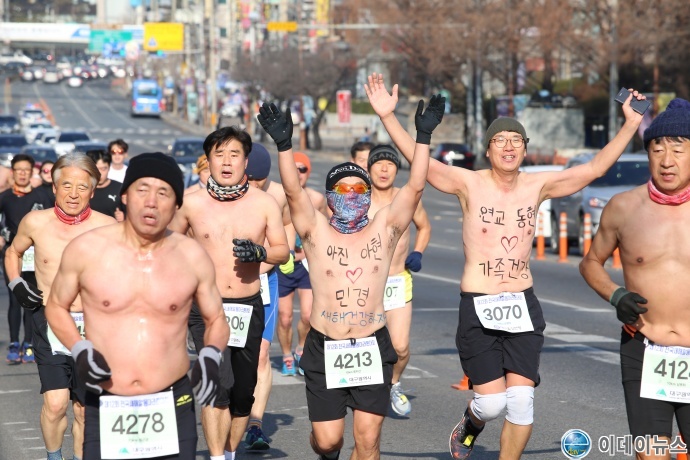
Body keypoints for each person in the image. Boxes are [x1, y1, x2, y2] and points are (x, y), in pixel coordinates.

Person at [364, 73, 647, 460]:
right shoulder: (469, 183)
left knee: (522, 402)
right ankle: (472, 421)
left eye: (516, 140)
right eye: (500, 140)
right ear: (488, 149)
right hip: (478, 304)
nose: (509, 146)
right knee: (492, 403)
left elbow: (594, 168)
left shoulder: (537, 185)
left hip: (521, 304)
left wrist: (631, 124)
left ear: (525, 150)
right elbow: (421, 163)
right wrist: (387, 117)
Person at [257, 96, 440, 460]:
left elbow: (415, 188)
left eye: (360, 190)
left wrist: (423, 138)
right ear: (329, 196)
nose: (352, 196)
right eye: (343, 190)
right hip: (325, 346)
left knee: (368, 441)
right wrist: (284, 145)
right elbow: (293, 192)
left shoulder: (384, 229)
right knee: (329, 443)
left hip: (372, 345)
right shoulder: (316, 231)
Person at [45, 152, 230, 459]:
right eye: (142, 190)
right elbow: (55, 306)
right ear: (125, 196)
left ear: (177, 205)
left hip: (171, 398)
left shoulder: (192, 256)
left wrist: (210, 356)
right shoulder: (87, 249)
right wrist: (79, 349)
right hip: (107, 395)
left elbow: (217, 319)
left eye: (164, 193)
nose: (151, 202)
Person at [169, 127, 290, 460]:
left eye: (234, 154)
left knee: (243, 394)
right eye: (218, 154)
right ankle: (216, 457)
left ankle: (229, 452)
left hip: (248, 305)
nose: (226, 162)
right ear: (208, 160)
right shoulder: (190, 203)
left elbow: (283, 251)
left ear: (245, 161)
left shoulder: (264, 204)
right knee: (217, 386)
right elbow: (168, 246)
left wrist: (261, 253)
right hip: (207, 307)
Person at [580, 98, 690, 459]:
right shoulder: (624, 208)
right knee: (651, 453)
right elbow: (591, 262)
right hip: (644, 347)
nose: (667, 160)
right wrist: (617, 296)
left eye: (678, 149)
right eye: (657, 149)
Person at [5, 153, 115, 460]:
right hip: (49, 321)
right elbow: (13, 252)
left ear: (92, 191)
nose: (73, 194)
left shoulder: (108, 228)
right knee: (55, 403)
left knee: (83, 410)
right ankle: (54, 456)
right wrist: (16, 284)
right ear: (54, 187)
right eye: (67, 185)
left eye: (82, 187)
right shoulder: (36, 222)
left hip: (93, 326)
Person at [367, 144, 431, 416]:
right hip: (365, 283)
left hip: (397, 280)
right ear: (369, 168)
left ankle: (393, 383)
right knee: (364, 343)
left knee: (401, 347)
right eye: (378, 163)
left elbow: (424, 226)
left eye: (390, 164)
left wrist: (418, 252)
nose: (384, 169)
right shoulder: (359, 198)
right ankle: (361, 391)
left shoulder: (407, 198)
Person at [242, 142, 292, 451]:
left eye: (260, 180)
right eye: (250, 179)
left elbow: (286, 227)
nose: (254, 185)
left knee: (261, 354)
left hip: (264, 282)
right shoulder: (218, 197)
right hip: (228, 285)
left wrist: (275, 257)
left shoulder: (276, 198)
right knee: (229, 357)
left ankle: (256, 425)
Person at [277, 151, 327, 377]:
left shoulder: (316, 199)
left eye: (303, 169)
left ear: (308, 172)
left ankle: (300, 349)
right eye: (293, 168)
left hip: (306, 264)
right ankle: (286, 355)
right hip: (284, 265)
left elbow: (325, 226)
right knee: (285, 317)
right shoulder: (279, 198)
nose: (298, 173)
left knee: (307, 316)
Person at [0, 154, 53, 364]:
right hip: (12, 253)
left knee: (31, 299)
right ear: (12, 172)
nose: (22, 174)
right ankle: (14, 343)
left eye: (26, 170)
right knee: (15, 299)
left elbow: (52, 220)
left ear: (32, 173)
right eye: (18, 170)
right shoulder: (5, 197)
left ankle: (29, 343)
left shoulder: (42, 196)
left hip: (34, 254)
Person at [85, 150, 125, 221]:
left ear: (109, 168)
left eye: (103, 169)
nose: (100, 173)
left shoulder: (120, 189)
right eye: (96, 169)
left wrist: (124, 218)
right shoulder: (83, 189)